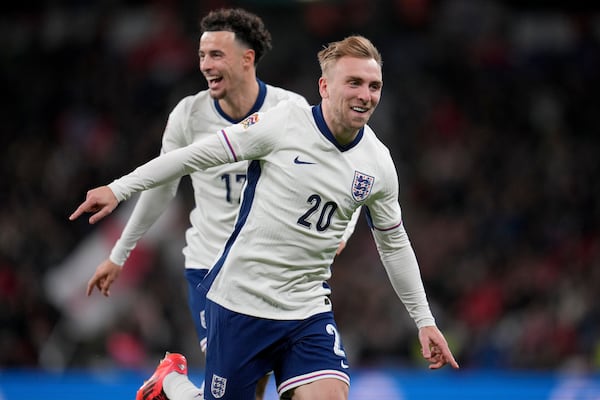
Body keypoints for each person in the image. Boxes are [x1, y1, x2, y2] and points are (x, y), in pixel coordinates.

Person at [71, 35, 459, 400]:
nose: (365, 95)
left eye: (374, 86)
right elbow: (192, 156)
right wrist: (119, 188)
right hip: (242, 303)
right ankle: (170, 380)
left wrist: (424, 321)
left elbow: (394, 244)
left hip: (306, 309)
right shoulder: (283, 124)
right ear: (324, 87)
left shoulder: (378, 163)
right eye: (354, 82)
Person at [83, 8, 357, 400]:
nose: (205, 65)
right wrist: (119, 254)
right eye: (202, 56)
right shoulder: (189, 115)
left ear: (248, 59)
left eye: (216, 55)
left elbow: (343, 174)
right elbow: (162, 188)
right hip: (211, 271)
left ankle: (170, 384)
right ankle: (172, 383)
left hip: (277, 273)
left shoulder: (290, 111)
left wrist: (343, 230)